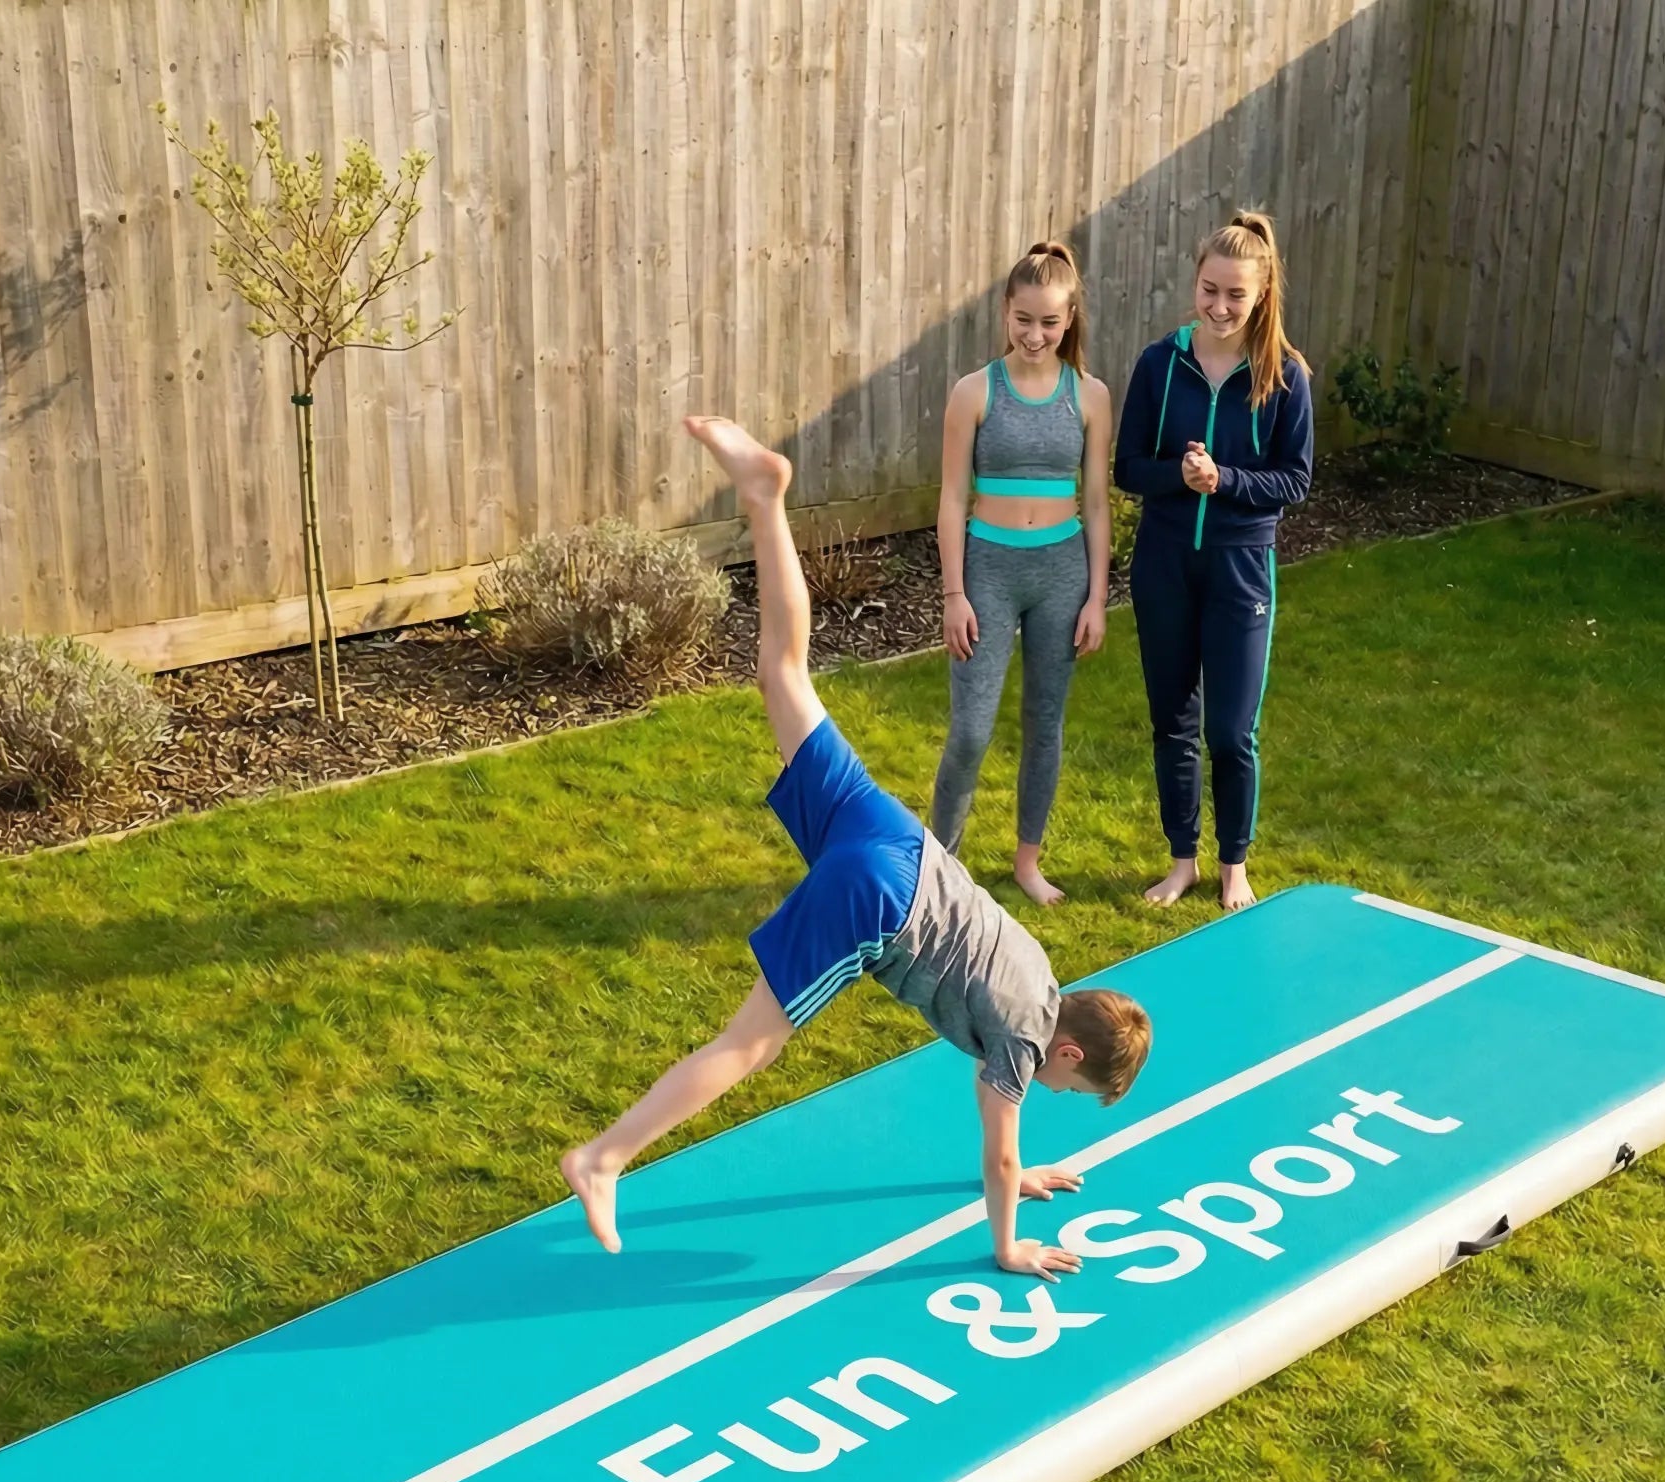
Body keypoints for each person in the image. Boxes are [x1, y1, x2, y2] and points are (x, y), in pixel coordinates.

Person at [562, 416, 1152, 1280]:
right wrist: (1007, 1243)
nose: (1052, 1092)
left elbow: (1007, 1141)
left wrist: (1024, 1174)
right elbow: (995, 1152)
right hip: (881, 901)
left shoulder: (1040, 969)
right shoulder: (1026, 1046)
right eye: (1073, 1089)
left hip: (891, 834)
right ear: (1067, 1055)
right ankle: (602, 1158)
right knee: (750, 1043)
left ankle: (766, 495)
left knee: (786, 673)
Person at [1114, 210, 1313, 912]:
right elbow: (1129, 467)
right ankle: (1182, 862)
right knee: (1173, 719)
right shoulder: (1158, 364)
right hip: (1165, 562)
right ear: (1193, 283)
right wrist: (1182, 475)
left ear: (1261, 297)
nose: (1220, 307)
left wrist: (1225, 480)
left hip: (1239, 569)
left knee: (1230, 731)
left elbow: (1295, 479)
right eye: (1209, 290)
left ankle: (1234, 865)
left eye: (1236, 295)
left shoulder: (1284, 376)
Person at [932, 242, 1113, 906]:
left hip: (1061, 573)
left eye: (1050, 323)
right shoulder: (973, 392)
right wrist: (954, 593)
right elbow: (952, 498)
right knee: (971, 728)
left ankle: (1027, 861)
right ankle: (940, 866)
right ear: (1005, 313)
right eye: (1024, 320)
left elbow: (1096, 503)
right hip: (989, 571)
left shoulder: (1090, 398)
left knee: (1046, 720)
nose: (1035, 336)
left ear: (1069, 322)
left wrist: (1097, 594)